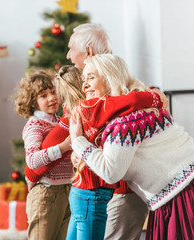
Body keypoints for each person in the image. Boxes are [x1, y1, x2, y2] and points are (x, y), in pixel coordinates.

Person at [69, 53, 194, 240]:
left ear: (110, 77)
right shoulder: (140, 108)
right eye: (83, 79)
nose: (84, 84)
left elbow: (110, 172)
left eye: (91, 77)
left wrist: (77, 141)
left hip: (179, 197)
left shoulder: (123, 123)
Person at [65, 23, 149, 240]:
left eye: (71, 49)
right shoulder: (92, 90)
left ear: (89, 52)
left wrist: (78, 144)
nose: (68, 56)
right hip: (92, 188)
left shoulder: (125, 96)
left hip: (121, 192)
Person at [14, 70, 73, 240]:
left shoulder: (60, 121)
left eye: (53, 92)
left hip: (67, 190)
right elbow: (33, 160)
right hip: (46, 193)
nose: (52, 98)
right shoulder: (35, 125)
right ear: (33, 102)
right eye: (43, 96)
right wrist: (63, 147)